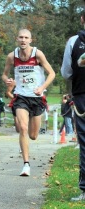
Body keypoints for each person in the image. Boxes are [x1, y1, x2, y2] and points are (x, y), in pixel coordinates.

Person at [2, 28, 55, 176]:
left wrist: (42, 87)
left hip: (37, 97)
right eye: (21, 37)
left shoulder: (37, 54)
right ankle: (26, 165)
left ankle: (25, 141)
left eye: (26, 37)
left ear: (30, 40)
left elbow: (52, 73)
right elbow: (4, 75)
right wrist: (8, 81)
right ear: (17, 39)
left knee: (33, 135)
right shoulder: (12, 56)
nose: (23, 40)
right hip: (20, 96)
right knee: (23, 128)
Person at [61, 11, 85, 201]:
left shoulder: (73, 42)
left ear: (82, 19)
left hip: (82, 95)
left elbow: (66, 72)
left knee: (84, 144)